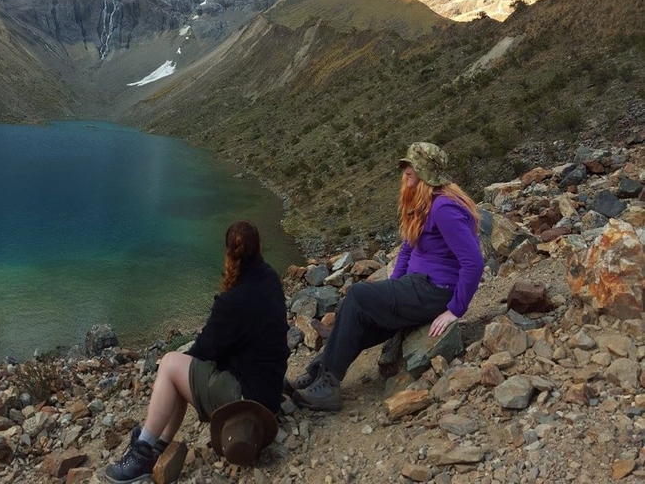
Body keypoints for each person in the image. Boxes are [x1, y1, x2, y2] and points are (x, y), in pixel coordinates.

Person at [289, 142, 484, 411]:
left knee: (357, 295)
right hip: (414, 287)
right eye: (405, 169)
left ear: (425, 175)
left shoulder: (444, 209)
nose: (404, 175)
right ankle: (318, 373)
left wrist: (455, 309)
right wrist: (394, 291)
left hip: (435, 290)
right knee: (356, 311)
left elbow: (473, 261)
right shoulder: (422, 204)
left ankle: (328, 386)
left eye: (410, 170)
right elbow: (407, 249)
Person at [103, 221, 289, 483]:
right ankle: (159, 447)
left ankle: (142, 452)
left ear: (228, 252)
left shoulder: (232, 302)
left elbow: (205, 349)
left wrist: (180, 362)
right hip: (268, 390)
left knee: (170, 364)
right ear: (260, 247)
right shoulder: (270, 278)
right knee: (181, 369)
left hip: (247, 398)